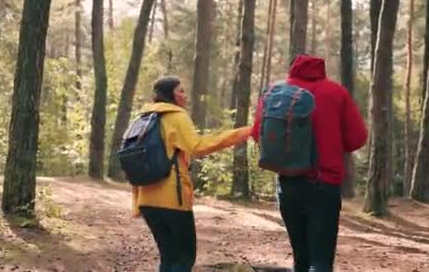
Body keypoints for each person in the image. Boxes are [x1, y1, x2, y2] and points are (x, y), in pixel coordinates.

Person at [251, 54, 368, 272]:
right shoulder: (337, 93)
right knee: (321, 260)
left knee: (300, 259)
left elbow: (258, 133)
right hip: (324, 184)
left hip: (288, 183)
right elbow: (357, 138)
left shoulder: (274, 93)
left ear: (292, 68)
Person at [132, 76, 252, 272]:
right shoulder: (177, 116)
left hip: (147, 201)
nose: (185, 96)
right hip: (172, 200)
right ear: (170, 94)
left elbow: (136, 160)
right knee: (183, 259)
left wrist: (137, 204)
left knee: (168, 259)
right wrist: (241, 134)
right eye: (180, 91)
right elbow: (197, 146)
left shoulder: (143, 118)